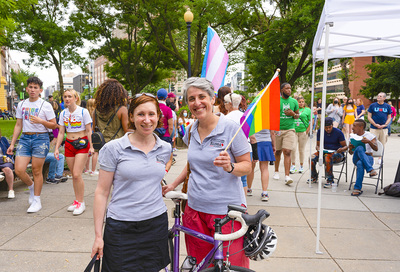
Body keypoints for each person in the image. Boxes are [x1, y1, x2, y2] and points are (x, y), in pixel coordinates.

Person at [162, 77, 251, 268]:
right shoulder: (191, 130)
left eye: (202, 96)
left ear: (212, 99)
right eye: (191, 98)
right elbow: (192, 164)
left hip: (226, 214)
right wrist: (174, 184)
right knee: (203, 266)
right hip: (195, 210)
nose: (197, 102)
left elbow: (247, 165)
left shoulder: (231, 128)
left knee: (229, 266)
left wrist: (231, 167)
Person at [91, 94, 171, 271]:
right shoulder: (113, 148)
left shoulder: (165, 148)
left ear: (158, 116)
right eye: (141, 114)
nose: (147, 120)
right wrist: (98, 236)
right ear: (132, 117)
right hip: (121, 226)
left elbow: (152, 177)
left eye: (152, 114)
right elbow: (102, 192)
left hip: (155, 224)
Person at [7, 77, 57, 213]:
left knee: (36, 170)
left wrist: (41, 121)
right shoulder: (22, 104)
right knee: (19, 170)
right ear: (27, 89)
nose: (33, 90)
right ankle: (31, 187)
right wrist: (12, 144)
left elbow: (54, 125)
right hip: (24, 138)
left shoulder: (45, 105)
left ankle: (37, 200)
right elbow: (18, 125)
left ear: (40, 90)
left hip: (40, 139)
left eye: (36, 87)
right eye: (31, 87)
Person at [54, 89, 94, 216]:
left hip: (82, 143)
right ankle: (77, 200)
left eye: (70, 96)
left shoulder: (83, 111)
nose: (67, 99)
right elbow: (61, 132)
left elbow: (89, 131)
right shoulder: (63, 113)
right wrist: (56, 148)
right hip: (69, 144)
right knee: (73, 174)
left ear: (76, 98)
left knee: (77, 174)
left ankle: (81, 202)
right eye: (65, 96)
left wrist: (91, 147)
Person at [93, 79, 130, 174]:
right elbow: (128, 131)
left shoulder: (96, 111)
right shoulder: (122, 110)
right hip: (119, 148)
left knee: (106, 177)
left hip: (103, 148)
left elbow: (94, 130)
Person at [224, 93, 251, 196]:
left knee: (234, 179)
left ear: (230, 104)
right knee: (243, 180)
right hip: (248, 149)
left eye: (226, 103)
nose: (225, 105)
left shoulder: (226, 118)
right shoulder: (245, 116)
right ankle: (243, 205)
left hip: (233, 151)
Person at [273, 83, 299, 185]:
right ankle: (276, 171)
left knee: (287, 151)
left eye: (290, 88)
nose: (289, 90)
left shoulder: (294, 101)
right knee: (278, 152)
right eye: (286, 88)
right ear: (282, 90)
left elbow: (297, 116)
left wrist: (293, 114)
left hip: (290, 129)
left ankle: (287, 176)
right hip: (278, 130)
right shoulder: (276, 101)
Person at [310, 117, 348, 187]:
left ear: (332, 125)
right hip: (324, 152)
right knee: (311, 157)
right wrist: (319, 149)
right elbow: (317, 146)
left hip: (337, 153)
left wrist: (341, 149)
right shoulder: (320, 131)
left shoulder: (338, 132)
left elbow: (345, 147)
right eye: (326, 127)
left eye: (329, 127)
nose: (328, 129)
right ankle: (314, 176)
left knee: (327, 157)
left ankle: (330, 180)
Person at [349, 119, 378, 196]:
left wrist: (369, 142)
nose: (352, 128)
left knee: (360, 163)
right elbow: (351, 153)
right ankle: (370, 169)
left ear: (361, 127)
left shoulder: (370, 136)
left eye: (354, 126)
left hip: (368, 158)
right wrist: (350, 148)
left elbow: (376, 149)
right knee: (359, 148)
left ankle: (357, 188)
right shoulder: (352, 136)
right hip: (356, 157)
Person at [290, 96, 311, 174]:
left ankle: (301, 165)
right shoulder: (293, 109)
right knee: (293, 148)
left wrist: (308, 130)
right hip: (294, 131)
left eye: (302, 101)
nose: (301, 103)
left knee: (301, 150)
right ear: (296, 102)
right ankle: (293, 165)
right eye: (299, 102)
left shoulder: (307, 110)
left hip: (303, 132)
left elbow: (311, 120)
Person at [0, 129, 15, 199]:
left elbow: (9, 151)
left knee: (8, 170)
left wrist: (9, 158)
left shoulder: (3, 139)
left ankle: (11, 190)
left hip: (4, 160)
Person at [85, 98, 98, 174]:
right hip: (93, 134)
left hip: (86, 134)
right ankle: (93, 170)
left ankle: (87, 169)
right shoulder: (95, 113)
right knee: (95, 152)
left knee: (87, 151)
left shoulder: (85, 112)